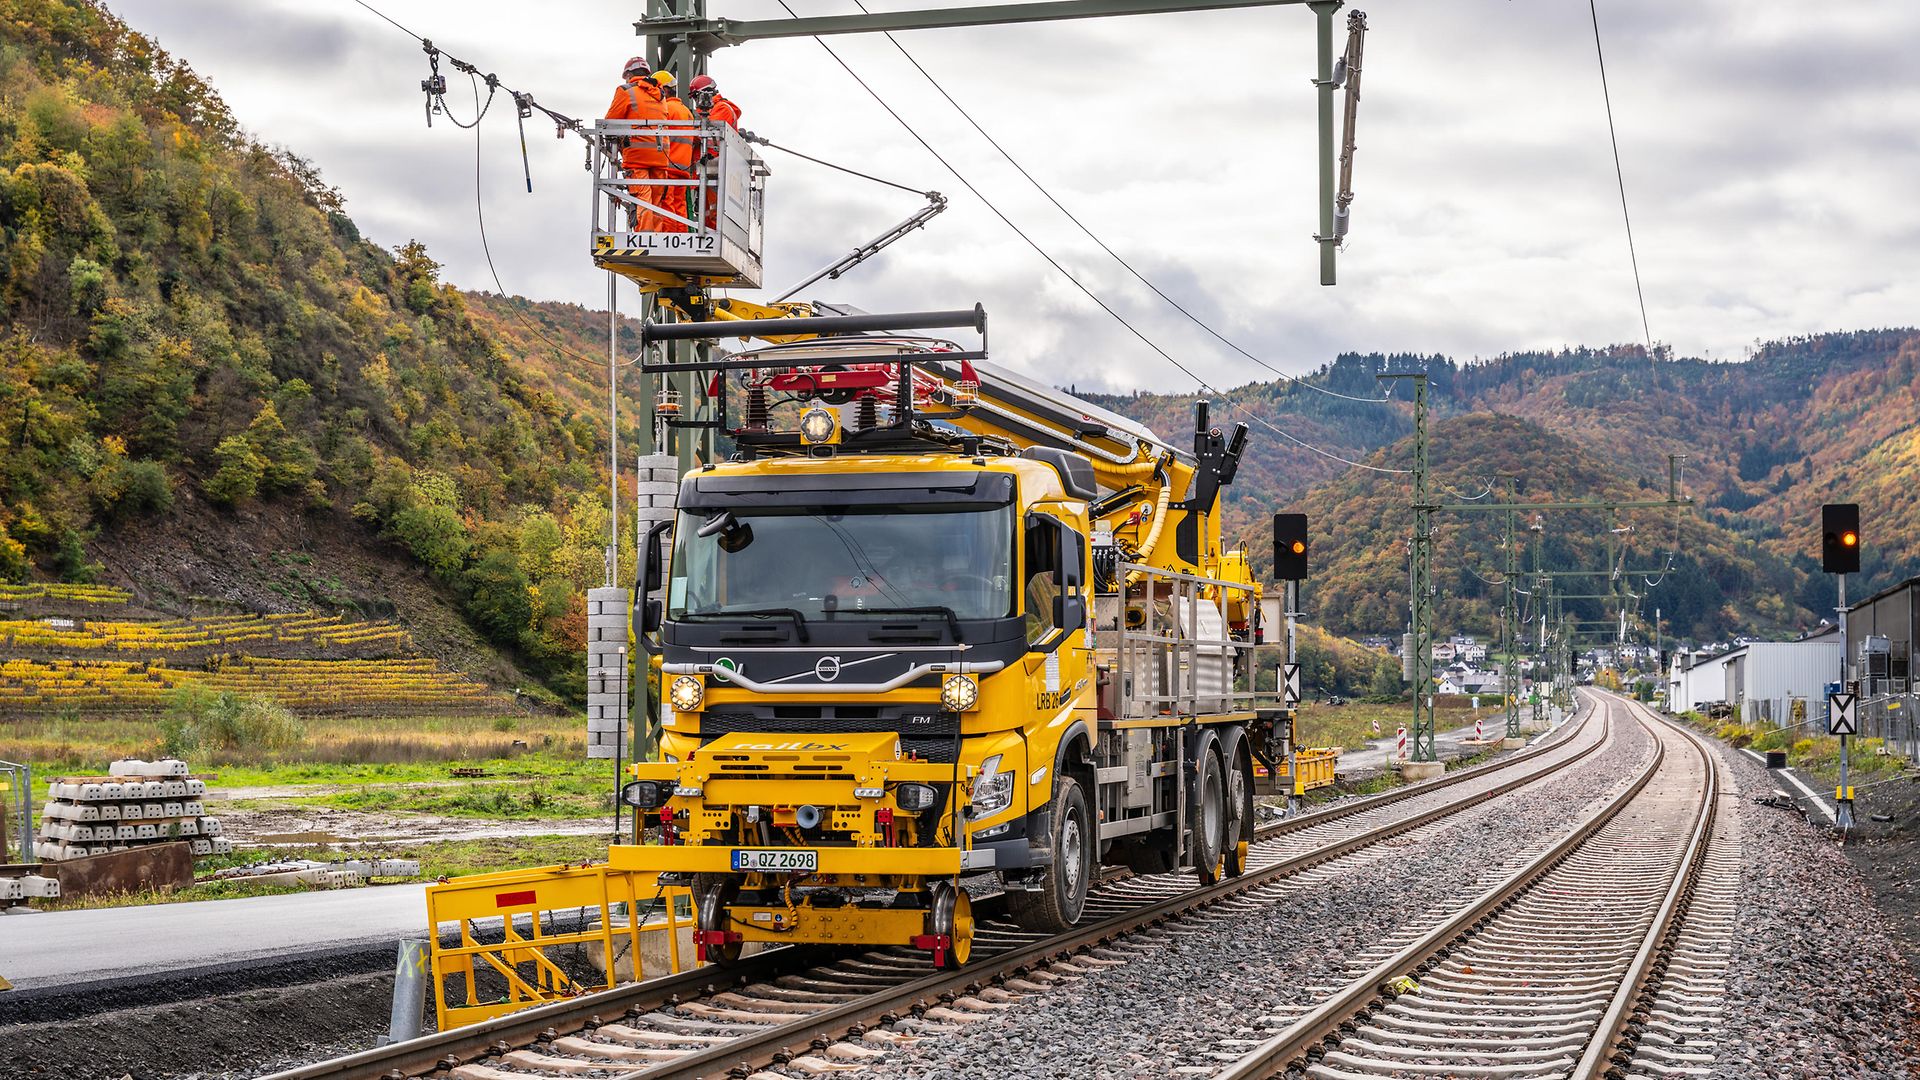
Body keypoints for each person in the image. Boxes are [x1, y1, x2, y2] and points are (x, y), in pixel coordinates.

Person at [603, 56, 671, 231]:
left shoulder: (625, 91)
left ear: (628, 74)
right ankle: (656, 237)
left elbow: (610, 122)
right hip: (661, 155)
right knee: (656, 202)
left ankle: (644, 239)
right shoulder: (660, 94)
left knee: (643, 198)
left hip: (637, 156)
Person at [688, 74, 741, 229]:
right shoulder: (713, 109)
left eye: (696, 96)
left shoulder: (722, 109)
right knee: (707, 212)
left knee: (715, 212)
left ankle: (712, 233)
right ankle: (708, 232)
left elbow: (705, 132)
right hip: (708, 167)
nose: (695, 101)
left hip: (716, 167)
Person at [651, 71, 697, 233]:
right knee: (680, 207)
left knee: (667, 206)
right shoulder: (686, 112)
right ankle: (681, 237)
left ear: (664, 89)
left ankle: (669, 238)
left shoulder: (666, 109)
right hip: (683, 168)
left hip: (669, 166)